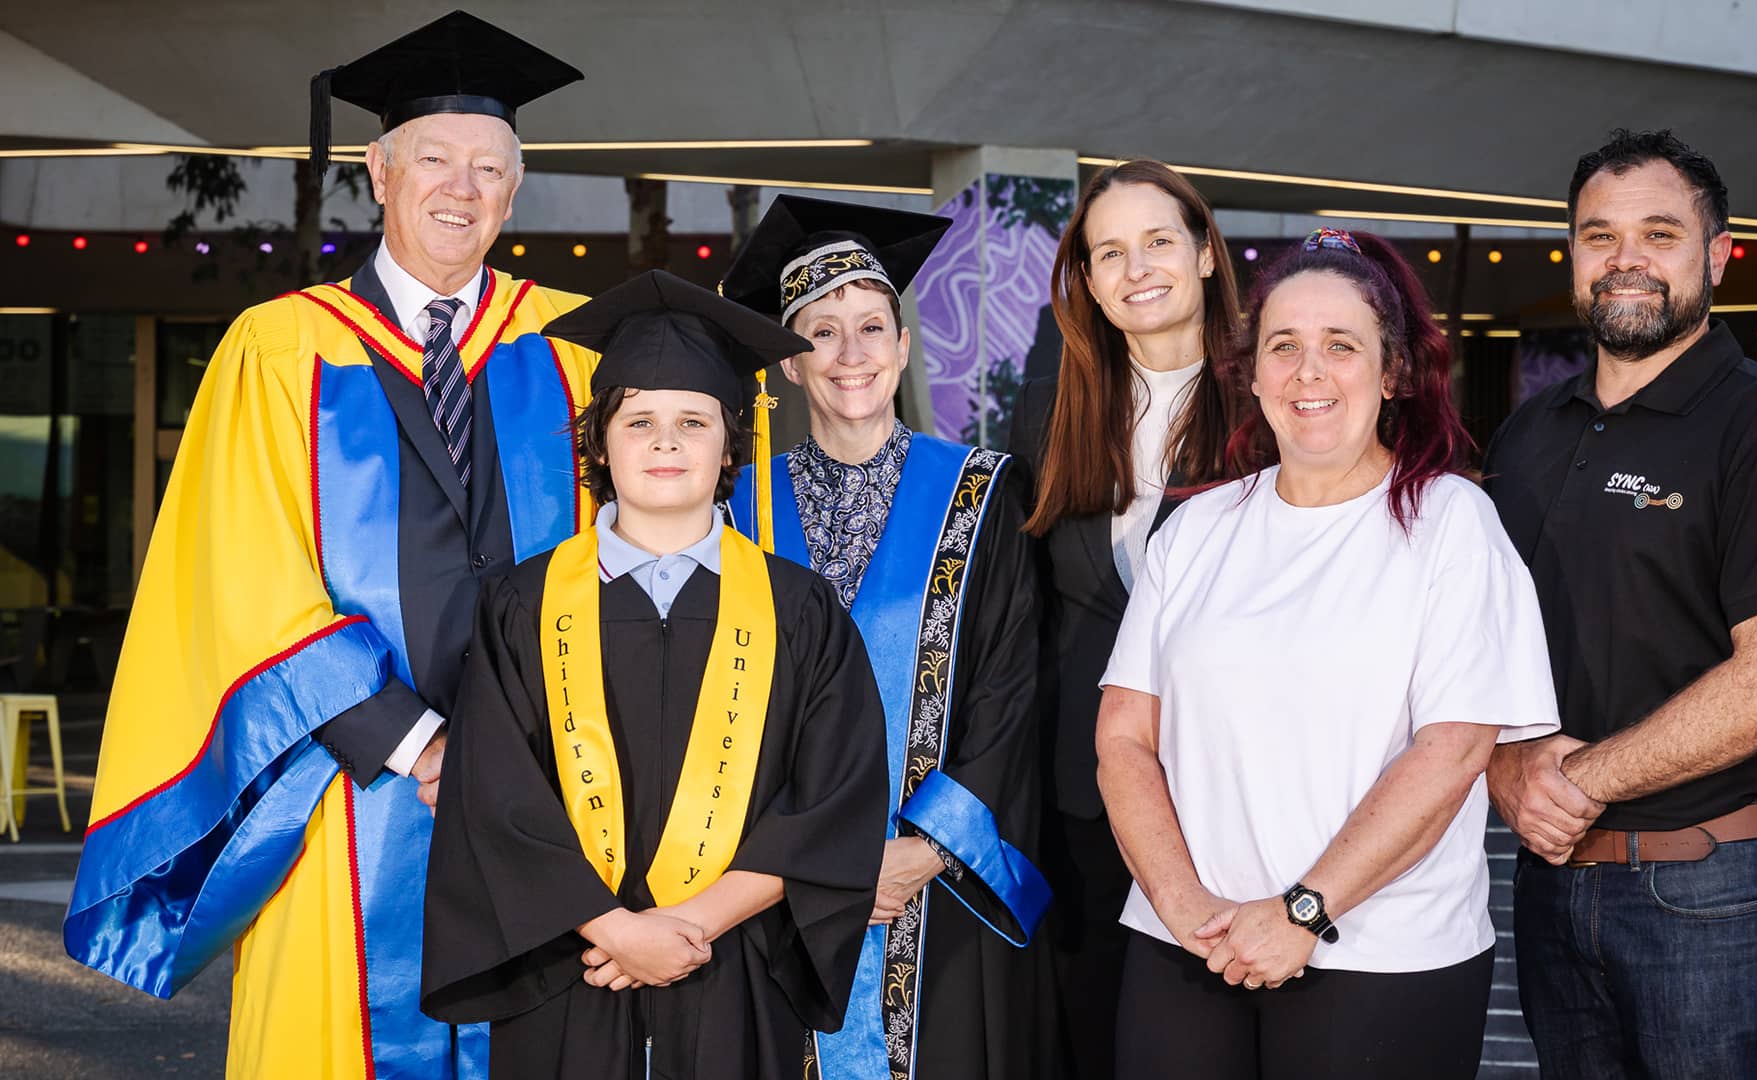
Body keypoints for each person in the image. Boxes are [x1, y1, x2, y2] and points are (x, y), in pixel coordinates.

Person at [63, 12, 591, 1076]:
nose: (462, 187)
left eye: (489, 167)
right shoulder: (278, 350)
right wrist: (422, 746)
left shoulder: (580, 347)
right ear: (378, 172)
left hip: (560, 801)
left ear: (516, 188)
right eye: (435, 159)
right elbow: (247, 582)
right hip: (349, 801)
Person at [1097, 228, 1561, 1078]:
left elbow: (1453, 750)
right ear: (1253, 373)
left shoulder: (1453, 524)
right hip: (1186, 950)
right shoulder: (1197, 528)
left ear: (1391, 373)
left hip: (1381, 958)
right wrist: (1186, 907)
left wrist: (1302, 912)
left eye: (1340, 346)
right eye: (1284, 347)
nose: (1309, 372)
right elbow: (1124, 738)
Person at [421, 269, 890, 1077]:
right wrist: (617, 930)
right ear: (599, 441)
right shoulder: (519, 606)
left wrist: (695, 924)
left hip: (734, 956)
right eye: (638, 420)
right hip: (567, 961)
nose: (666, 441)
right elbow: (492, 799)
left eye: (693, 421)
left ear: (731, 442)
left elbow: (831, 798)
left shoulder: (799, 610)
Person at [1484, 129, 1757, 1079]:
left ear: (1718, 254)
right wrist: (1506, 765)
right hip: (1559, 887)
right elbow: (1476, 645)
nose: (1626, 261)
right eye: (1599, 236)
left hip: (1722, 889)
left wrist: (1577, 780)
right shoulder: (1528, 436)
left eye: (1659, 233)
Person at [720, 195, 1053, 1080]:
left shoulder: (981, 495)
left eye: (873, 326)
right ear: (791, 362)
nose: (852, 352)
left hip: (939, 893)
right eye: (822, 332)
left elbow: (1010, 693)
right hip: (779, 895)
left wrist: (926, 849)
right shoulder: (737, 512)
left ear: (904, 347)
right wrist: (796, 864)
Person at [1005, 158, 1249, 1079]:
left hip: (1231, 790)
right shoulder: (1055, 405)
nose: (1136, 267)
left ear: (1205, 255)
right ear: (1089, 281)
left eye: (1157, 241)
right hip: (1085, 795)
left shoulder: (1272, 406)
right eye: (1110, 252)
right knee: (1096, 1036)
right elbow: (1030, 605)